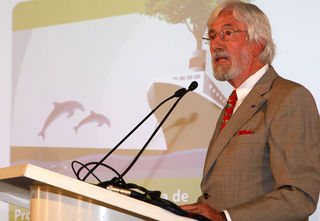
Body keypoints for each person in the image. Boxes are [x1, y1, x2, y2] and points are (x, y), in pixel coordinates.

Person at [181, 1, 320, 221]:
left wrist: (227, 217)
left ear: (258, 43)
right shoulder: (234, 102)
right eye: (213, 36)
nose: (216, 44)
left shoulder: (289, 97)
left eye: (227, 33)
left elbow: (300, 195)